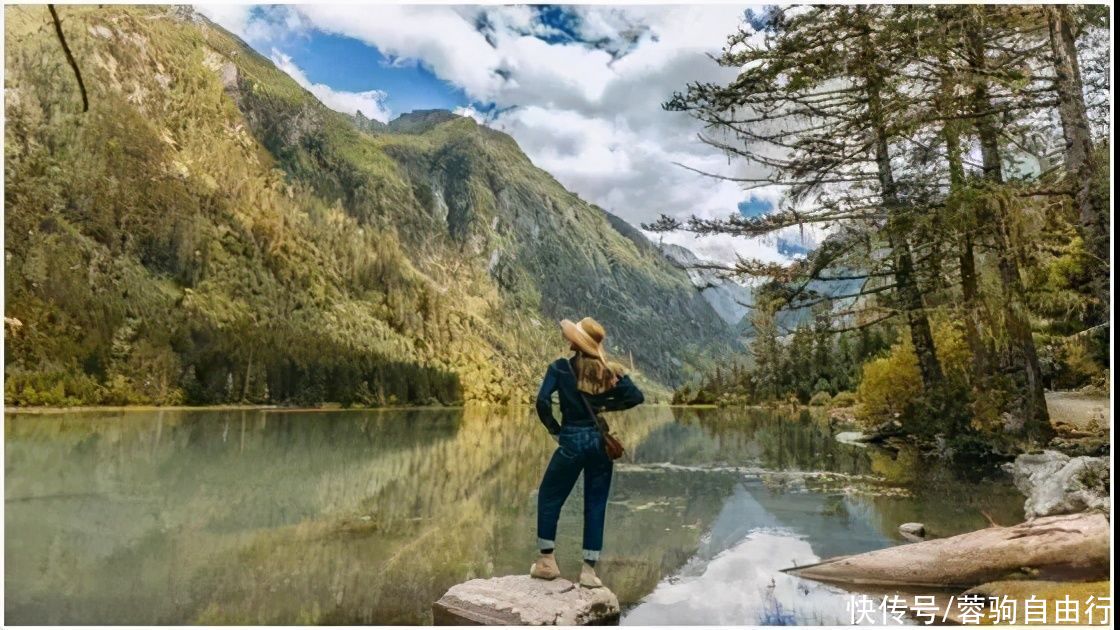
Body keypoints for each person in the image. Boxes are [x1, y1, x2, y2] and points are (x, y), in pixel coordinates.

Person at [530, 317, 644, 588]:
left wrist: (555, 430)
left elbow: (542, 402)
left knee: (549, 496)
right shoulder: (606, 372)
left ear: (575, 341)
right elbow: (635, 397)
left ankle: (547, 562)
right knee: (595, 504)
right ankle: (589, 573)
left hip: (571, 438)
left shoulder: (559, 368)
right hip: (598, 442)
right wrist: (606, 405)